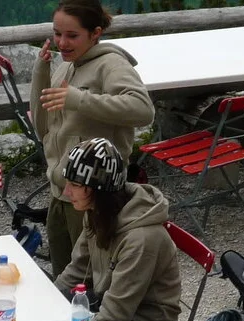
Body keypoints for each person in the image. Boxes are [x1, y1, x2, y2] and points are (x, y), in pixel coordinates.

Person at [32, 0, 155, 277]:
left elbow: (143, 109)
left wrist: (81, 99)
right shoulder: (65, 66)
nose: (62, 42)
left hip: (94, 197)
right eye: (57, 34)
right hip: (61, 193)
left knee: (90, 280)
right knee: (64, 275)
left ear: (95, 33)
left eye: (72, 36)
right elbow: (43, 130)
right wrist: (41, 72)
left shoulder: (111, 65)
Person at [53, 138, 181, 321]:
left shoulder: (141, 239)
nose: (66, 191)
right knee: (51, 319)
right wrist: (52, 297)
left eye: (74, 184)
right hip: (109, 301)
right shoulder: (96, 211)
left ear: (96, 189)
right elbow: (78, 267)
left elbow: (115, 316)